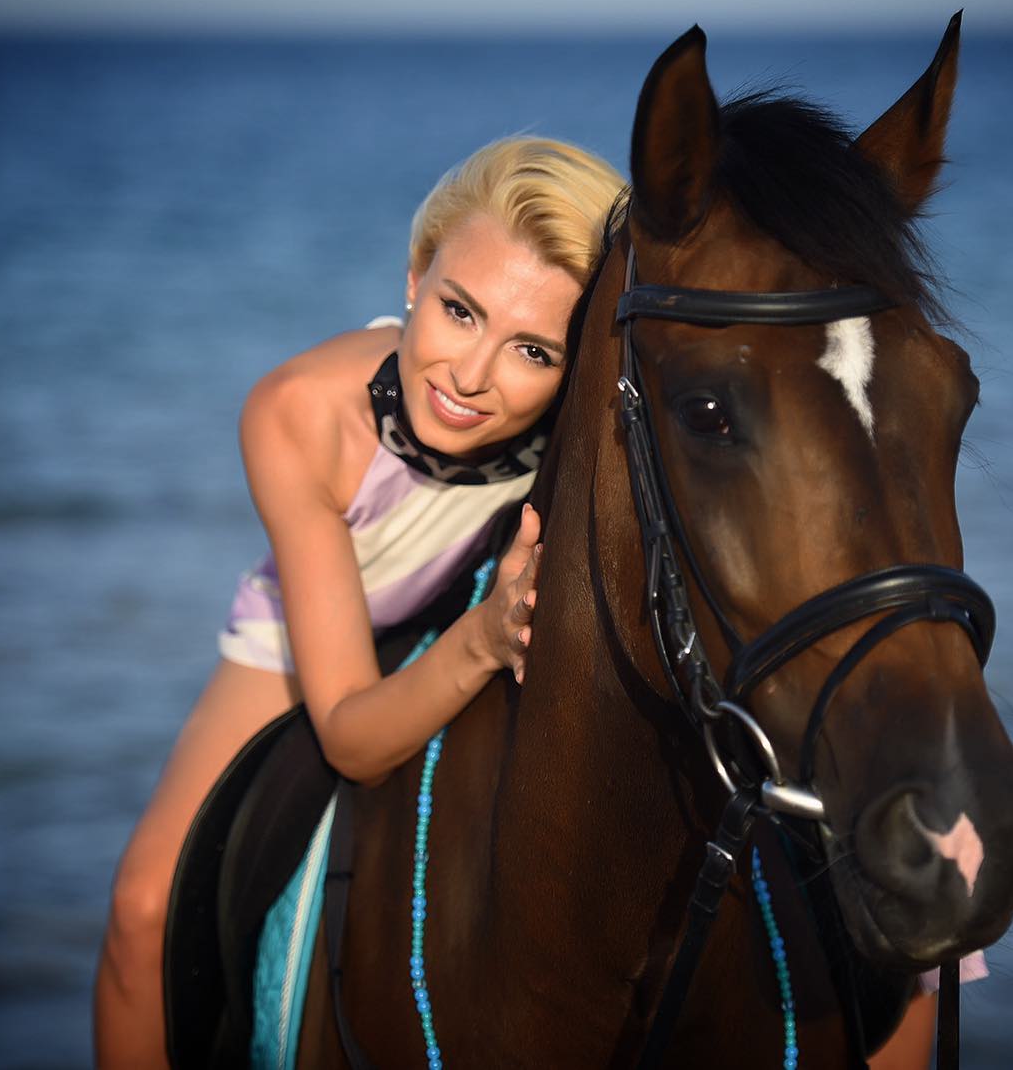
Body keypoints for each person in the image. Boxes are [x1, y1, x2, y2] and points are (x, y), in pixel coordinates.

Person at [93, 136, 626, 1069]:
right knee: (144, 912)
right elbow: (347, 733)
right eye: (460, 310)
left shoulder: (584, 420)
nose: (470, 375)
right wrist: (483, 640)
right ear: (415, 276)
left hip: (465, 601)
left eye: (532, 350)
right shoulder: (298, 411)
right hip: (304, 632)